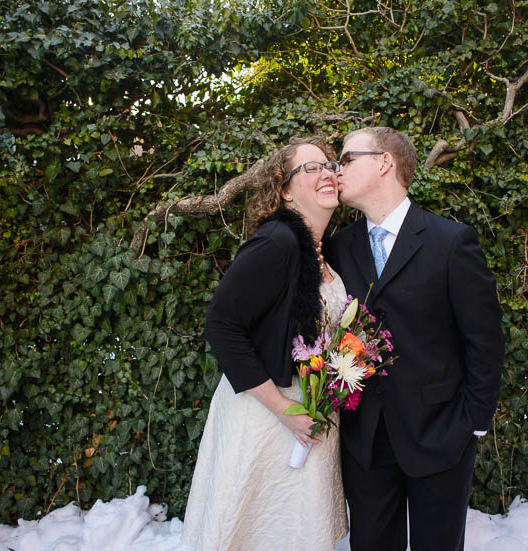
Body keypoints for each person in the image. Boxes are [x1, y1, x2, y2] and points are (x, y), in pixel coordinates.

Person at [324, 127, 504, 551]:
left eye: (347, 158)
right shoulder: (337, 248)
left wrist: (472, 424)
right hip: (365, 439)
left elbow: (485, 340)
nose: (337, 169)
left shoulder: (451, 242)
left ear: (384, 162)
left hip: (441, 433)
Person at [181, 137, 349, 551]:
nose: (326, 173)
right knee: (259, 531)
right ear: (285, 189)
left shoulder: (319, 250)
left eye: (329, 165)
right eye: (310, 168)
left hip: (308, 416)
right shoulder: (278, 241)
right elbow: (221, 326)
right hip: (268, 415)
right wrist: (285, 410)